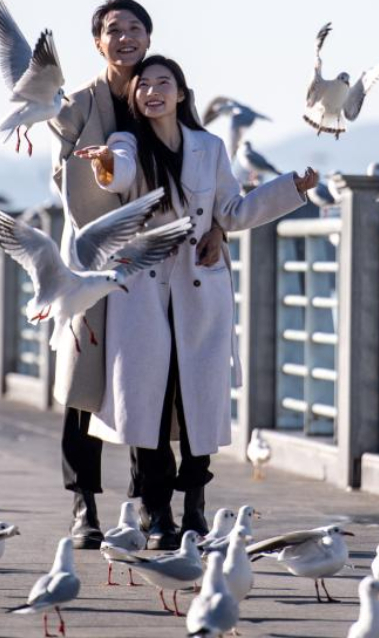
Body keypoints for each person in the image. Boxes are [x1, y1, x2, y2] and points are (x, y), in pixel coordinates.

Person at [74, 55, 317, 549]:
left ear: (183, 94)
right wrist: (103, 163)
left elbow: (233, 210)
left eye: (165, 83)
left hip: (199, 285)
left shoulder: (209, 147)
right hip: (141, 287)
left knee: (199, 399)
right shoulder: (127, 143)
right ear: (133, 98)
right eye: (144, 85)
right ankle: (157, 511)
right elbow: (118, 174)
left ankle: (196, 508)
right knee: (150, 402)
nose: (153, 91)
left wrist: (291, 188)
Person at [47, 0, 227, 549]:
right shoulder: (77, 103)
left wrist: (217, 226)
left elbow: (203, 186)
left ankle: (148, 505)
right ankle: (84, 504)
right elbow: (67, 183)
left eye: (134, 28)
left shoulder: (158, 89)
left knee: (149, 381)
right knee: (87, 383)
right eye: (111, 29)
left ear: (148, 37)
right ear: (97, 42)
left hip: (162, 268)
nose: (124, 37)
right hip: (98, 257)